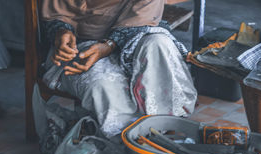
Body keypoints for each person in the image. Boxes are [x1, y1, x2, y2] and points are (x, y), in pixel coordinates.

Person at [41, 0, 197, 137]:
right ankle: (131, 143)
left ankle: (167, 131)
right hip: (84, 44)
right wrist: (61, 31)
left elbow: (144, 16)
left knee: (159, 46)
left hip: (139, 31)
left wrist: (110, 44)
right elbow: (57, 14)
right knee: (103, 86)